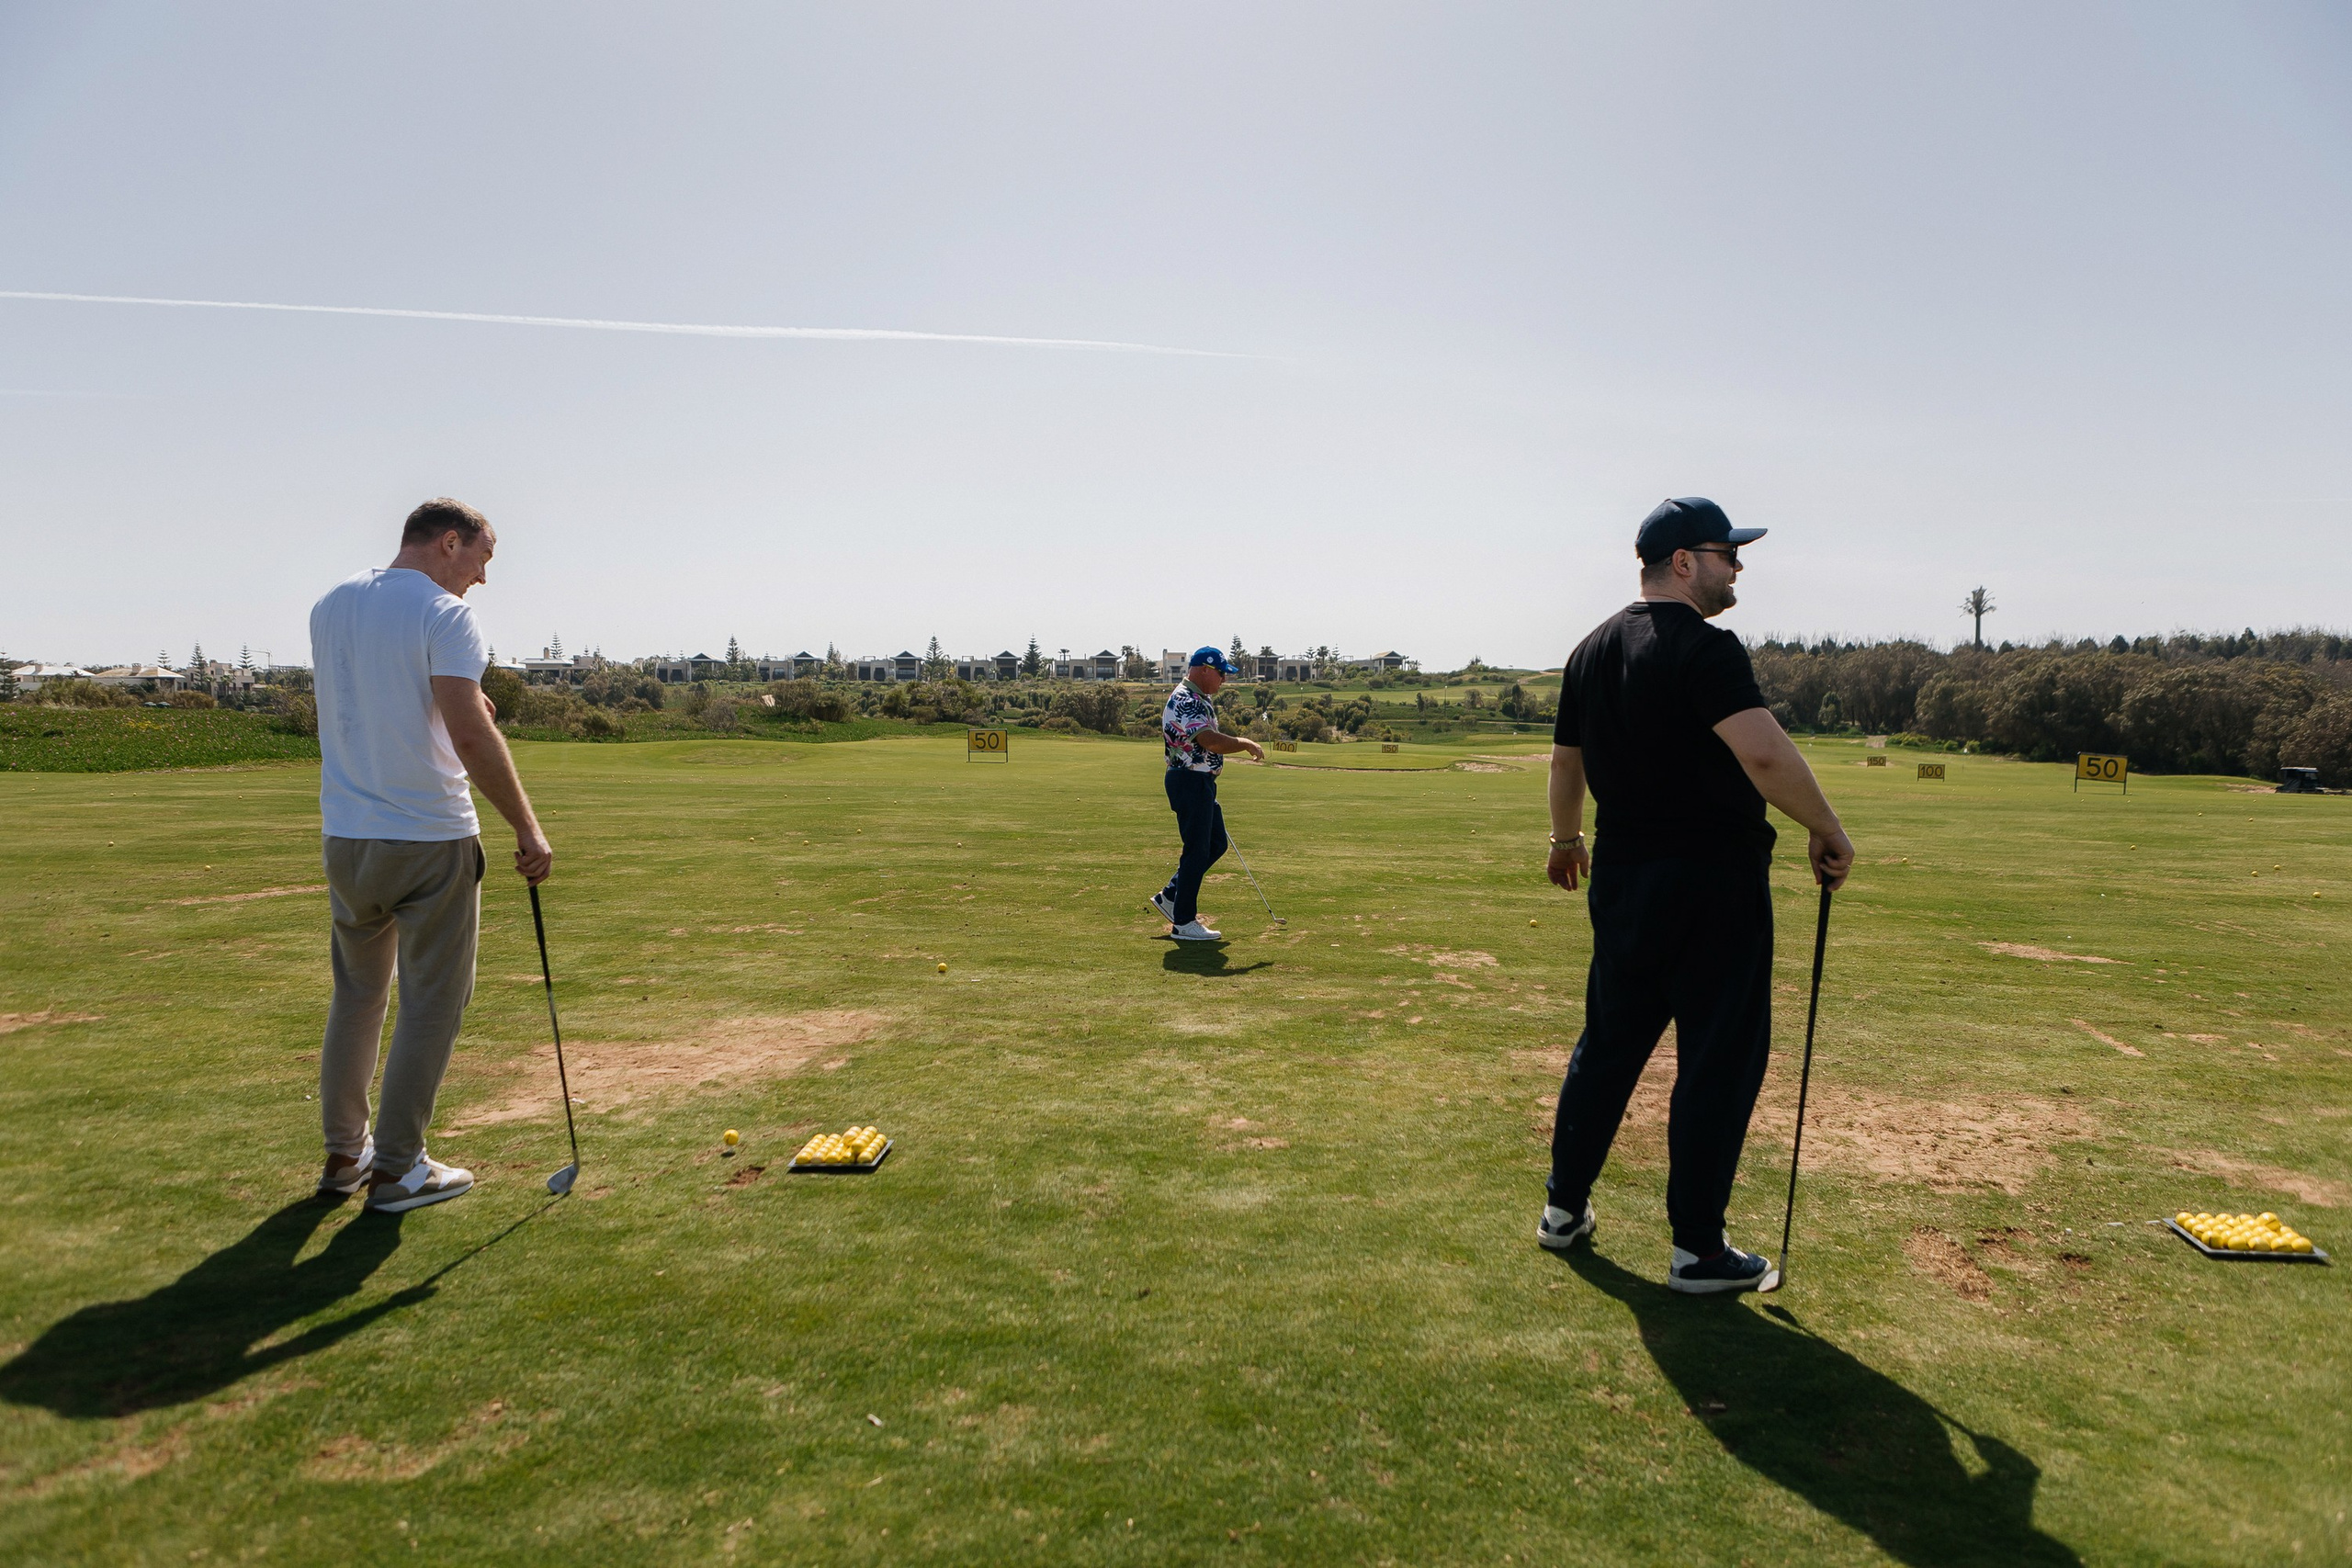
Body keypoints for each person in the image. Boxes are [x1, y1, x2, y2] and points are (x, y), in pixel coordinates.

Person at [1537, 497, 1854, 1293]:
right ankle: (1697, 1251)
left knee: (1608, 1045)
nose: (1738, 566)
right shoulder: (1708, 648)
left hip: (1624, 880)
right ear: (1683, 562)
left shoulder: (1589, 649)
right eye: (1726, 553)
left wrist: (1565, 840)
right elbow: (1765, 756)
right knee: (1717, 1060)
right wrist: (1827, 828)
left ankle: (1562, 1211)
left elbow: (1566, 764)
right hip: (1713, 885)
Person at [309, 499, 554, 1213]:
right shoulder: (446, 614)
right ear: (450, 542)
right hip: (429, 836)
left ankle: (343, 1156)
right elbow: (470, 732)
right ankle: (397, 1169)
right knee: (433, 1003)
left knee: (357, 994)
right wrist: (528, 829)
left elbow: (392, 710)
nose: (481, 577)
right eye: (481, 557)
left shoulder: (331, 603)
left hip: (347, 836)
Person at [1149, 646, 1264, 941]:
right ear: (1204, 670)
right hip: (1189, 782)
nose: (1225, 679)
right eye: (1222, 673)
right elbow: (1209, 740)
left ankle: (1172, 896)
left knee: (1214, 844)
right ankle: (1184, 922)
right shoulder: (1187, 700)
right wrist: (1244, 742)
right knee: (1197, 850)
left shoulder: (1199, 698)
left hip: (1199, 782)